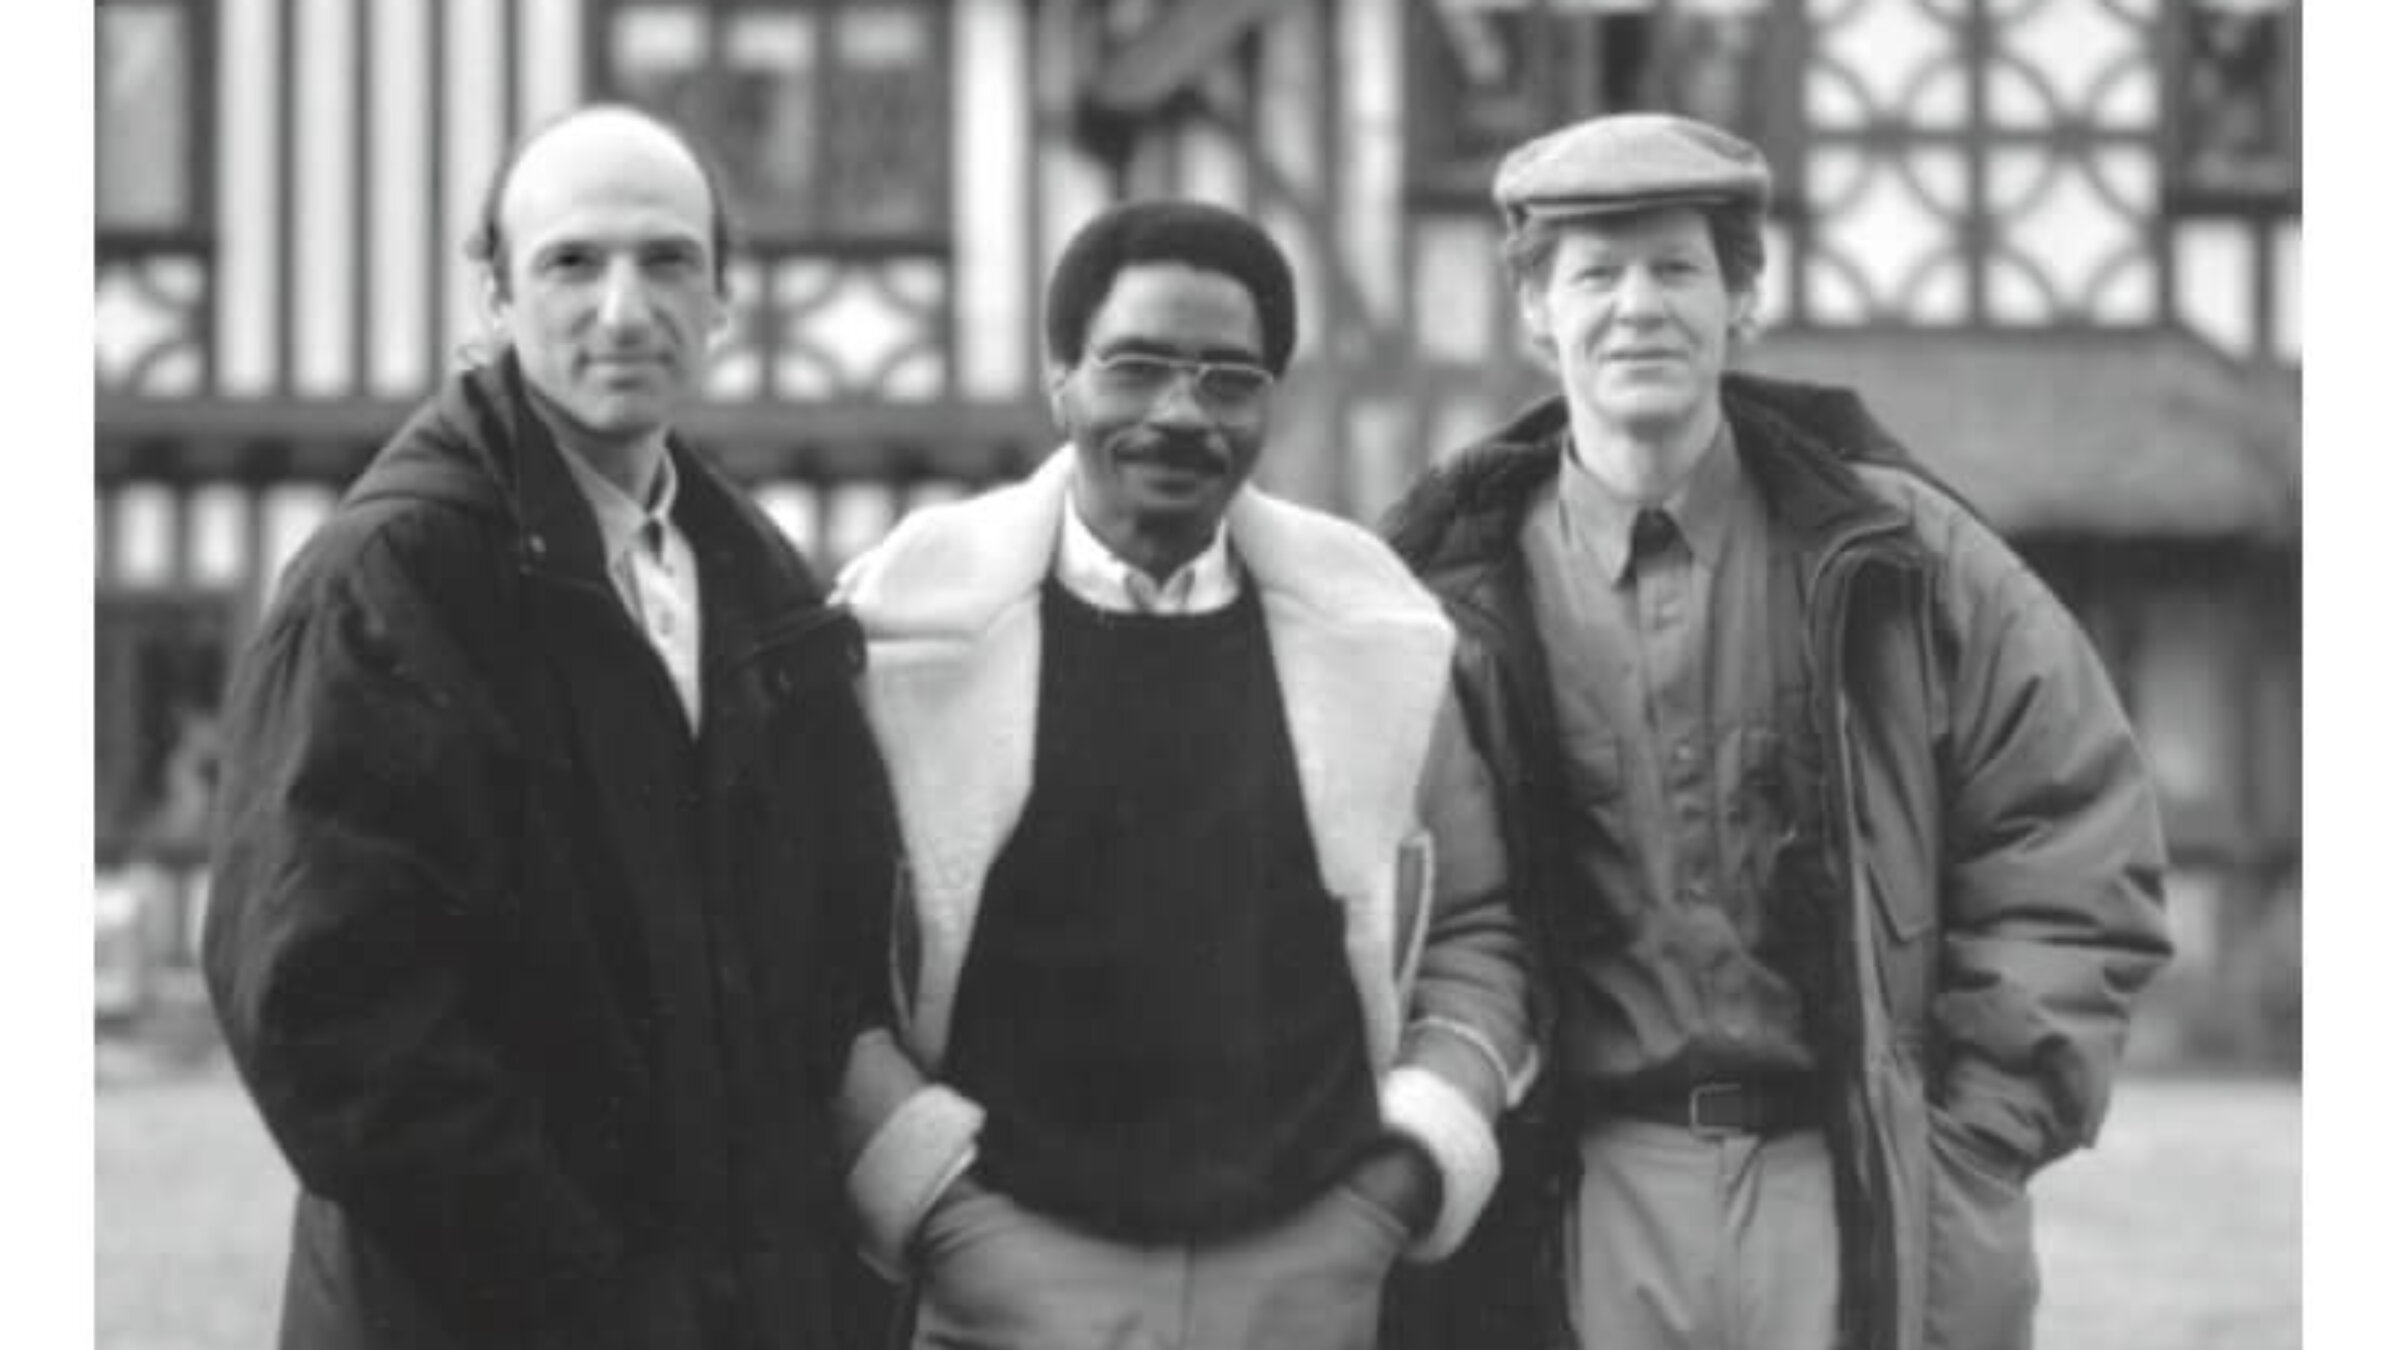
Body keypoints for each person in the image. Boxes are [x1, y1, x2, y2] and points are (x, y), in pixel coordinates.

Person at [1378, 113, 2174, 1350]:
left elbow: (2073, 835)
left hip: (1852, 1178)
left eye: (1677, 268)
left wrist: (1968, 1142)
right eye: (1595, 273)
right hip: (1588, 1197)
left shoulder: (1900, 553)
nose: (1638, 306)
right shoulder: (1446, 598)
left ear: (1743, 295)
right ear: (1537, 311)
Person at [202, 103, 892, 1350]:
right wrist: (591, 1295)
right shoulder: (390, 578)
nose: (624, 310)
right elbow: (328, 1015)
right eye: (572, 262)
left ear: (725, 303)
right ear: (494, 302)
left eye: (668, 260)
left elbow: (826, 959)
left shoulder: (756, 585)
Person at [827, 199, 1536, 1350]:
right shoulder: (900, 638)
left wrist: (1389, 1189)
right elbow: (810, 966)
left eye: (1228, 378)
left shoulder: (1381, 642)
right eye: (1138, 366)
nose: (1180, 413)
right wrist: (944, 1213)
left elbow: (1476, 931)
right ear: (1061, 379)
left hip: (1300, 1284)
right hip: (1002, 1288)